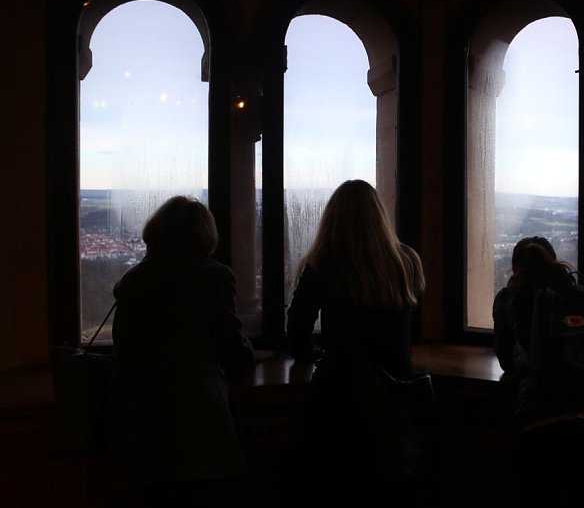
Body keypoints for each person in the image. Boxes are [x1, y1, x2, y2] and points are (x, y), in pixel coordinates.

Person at [105, 195, 256, 508]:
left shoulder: (133, 281)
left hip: (142, 427)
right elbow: (233, 352)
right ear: (204, 234)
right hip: (202, 426)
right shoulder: (216, 277)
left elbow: (124, 354)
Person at [285, 179, 428, 505]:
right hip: (398, 392)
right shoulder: (406, 261)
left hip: (340, 395)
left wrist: (314, 354)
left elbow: (297, 332)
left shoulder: (324, 264)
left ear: (332, 218)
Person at [493, 236, 584, 508]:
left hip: (539, 424)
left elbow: (507, 360)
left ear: (514, 268)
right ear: (553, 260)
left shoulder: (511, 298)